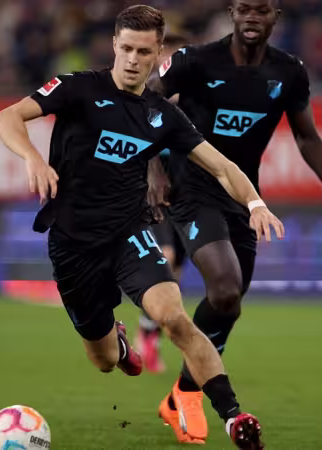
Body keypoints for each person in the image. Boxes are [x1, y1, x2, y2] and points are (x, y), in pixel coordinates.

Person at [0, 5, 285, 448]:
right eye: (126, 48)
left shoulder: (162, 115)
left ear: (158, 53)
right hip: (73, 247)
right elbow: (6, 118)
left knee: (176, 320)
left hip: (129, 236)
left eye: (143, 51)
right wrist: (33, 157)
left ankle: (233, 417)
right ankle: (120, 342)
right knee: (105, 359)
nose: (132, 59)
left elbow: (223, 167)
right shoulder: (77, 88)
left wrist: (256, 203)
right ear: (114, 44)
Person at [148, 0, 322, 444]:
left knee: (229, 303)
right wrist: (154, 167)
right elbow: (145, 101)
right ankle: (204, 401)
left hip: (242, 195)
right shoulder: (194, 60)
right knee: (224, 289)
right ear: (232, 13)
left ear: (275, 15)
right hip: (190, 188)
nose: (252, 18)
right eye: (244, 9)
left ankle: (182, 393)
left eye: (261, 10)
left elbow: (306, 134)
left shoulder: (289, 72)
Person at [135, 33, 191, 374]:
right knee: (166, 256)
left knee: (176, 271)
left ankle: (149, 332)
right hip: (152, 190)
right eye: (168, 53)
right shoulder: (147, 94)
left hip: (186, 191)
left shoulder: (194, 97)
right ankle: (147, 332)